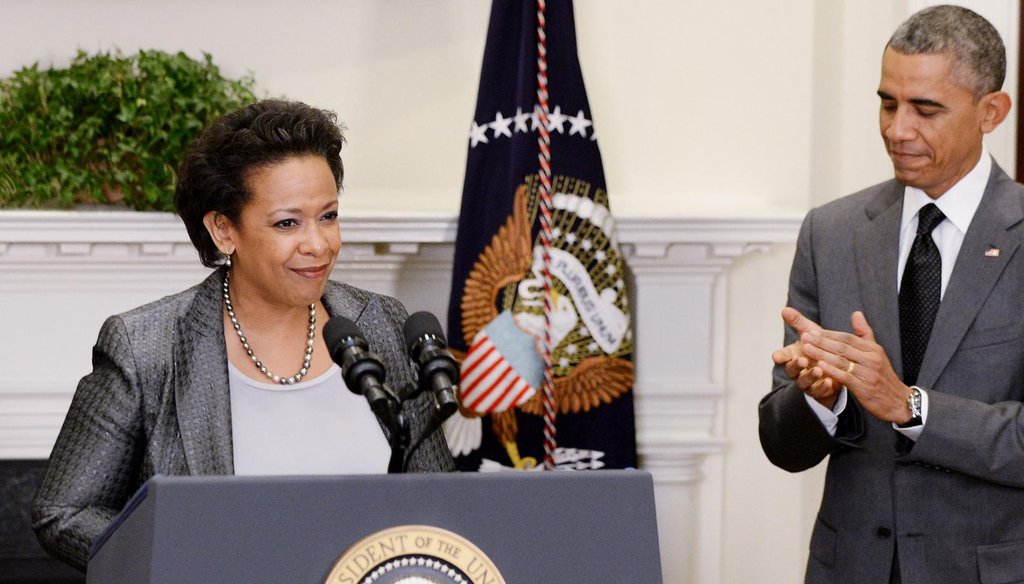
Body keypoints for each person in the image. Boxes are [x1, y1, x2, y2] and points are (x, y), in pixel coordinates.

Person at [31, 99, 455, 572]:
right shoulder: (146, 345)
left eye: (329, 216)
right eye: (287, 223)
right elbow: (63, 514)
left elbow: (442, 504)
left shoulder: (382, 324)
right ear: (223, 230)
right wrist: (189, 560)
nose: (318, 244)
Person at [759, 5, 1024, 583]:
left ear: (991, 112)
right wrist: (817, 399)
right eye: (887, 103)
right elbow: (783, 446)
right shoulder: (830, 231)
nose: (897, 129)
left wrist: (911, 406)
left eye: (925, 110)